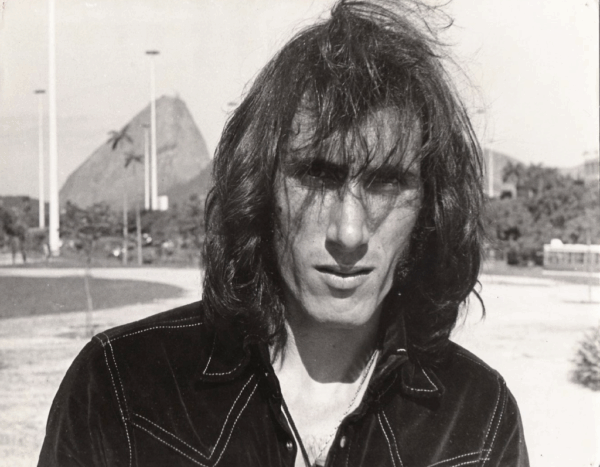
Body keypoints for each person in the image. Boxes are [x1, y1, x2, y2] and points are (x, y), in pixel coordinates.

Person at [38, 1, 529, 466]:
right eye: (317, 177)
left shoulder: (478, 417)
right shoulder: (122, 387)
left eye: (386, 183)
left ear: (428, 207)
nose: (349, 233)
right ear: (258, 189)